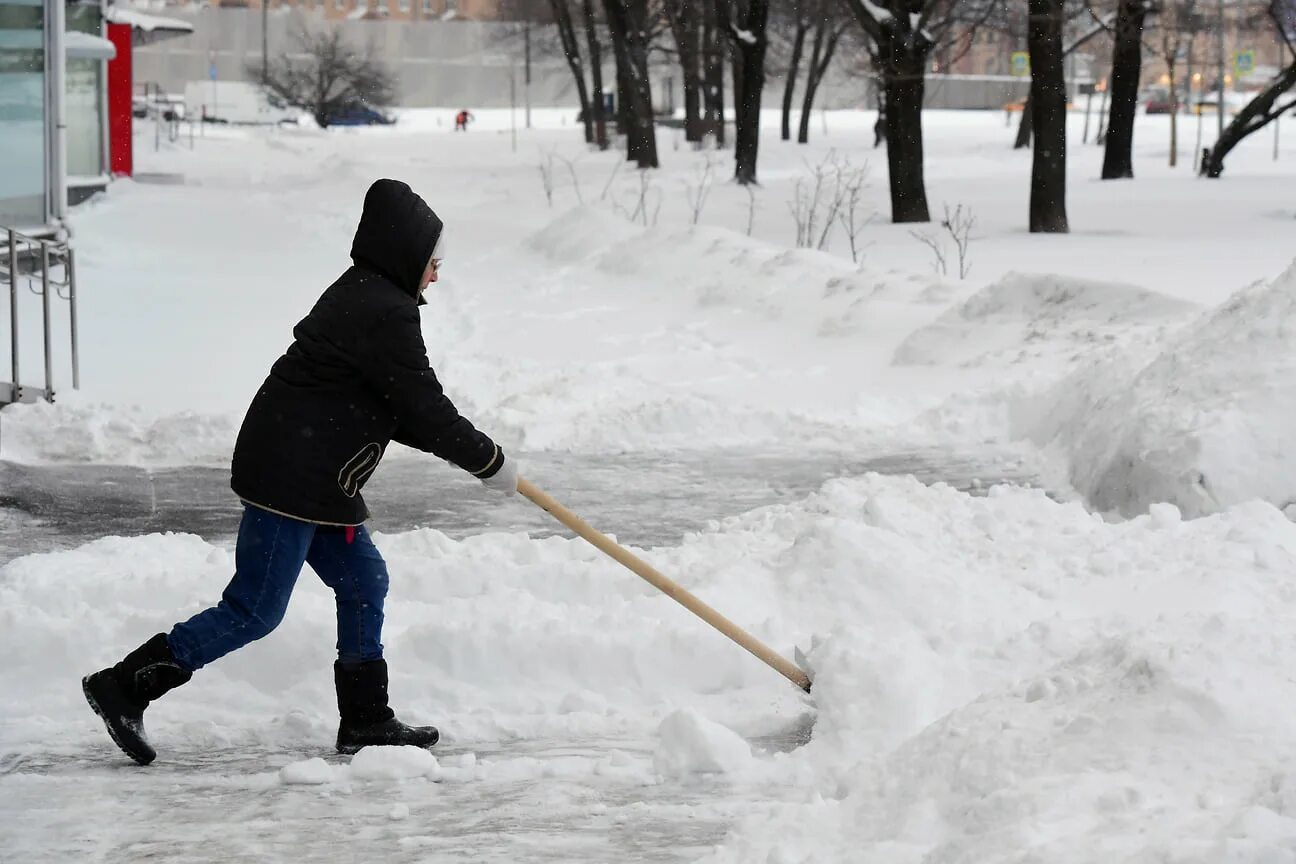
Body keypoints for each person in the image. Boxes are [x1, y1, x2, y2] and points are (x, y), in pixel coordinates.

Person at [82, 179, 519, 766]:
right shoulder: (383, 311)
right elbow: (422, 406)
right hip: (291, 477)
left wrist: (480, 461)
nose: (437, 275)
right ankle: (125, 684)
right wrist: (487, 460)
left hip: (315, 478)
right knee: (255, 610)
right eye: (434, 262)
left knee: (364, 583)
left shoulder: (368, 296)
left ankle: (365, 718)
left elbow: (396, 405)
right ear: (408, 255)